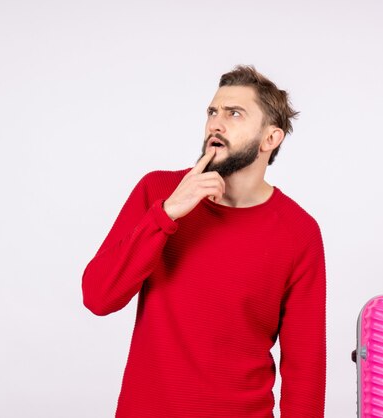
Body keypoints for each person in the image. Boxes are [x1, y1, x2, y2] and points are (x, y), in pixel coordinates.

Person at [82, 65, 326, 418]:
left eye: (235, 114)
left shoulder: (299, 231)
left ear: (270, 139)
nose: (216, 123)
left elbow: (305, 366)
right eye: (212, 112)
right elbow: (98, 297)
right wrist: (166, 215)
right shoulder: (159, 192)